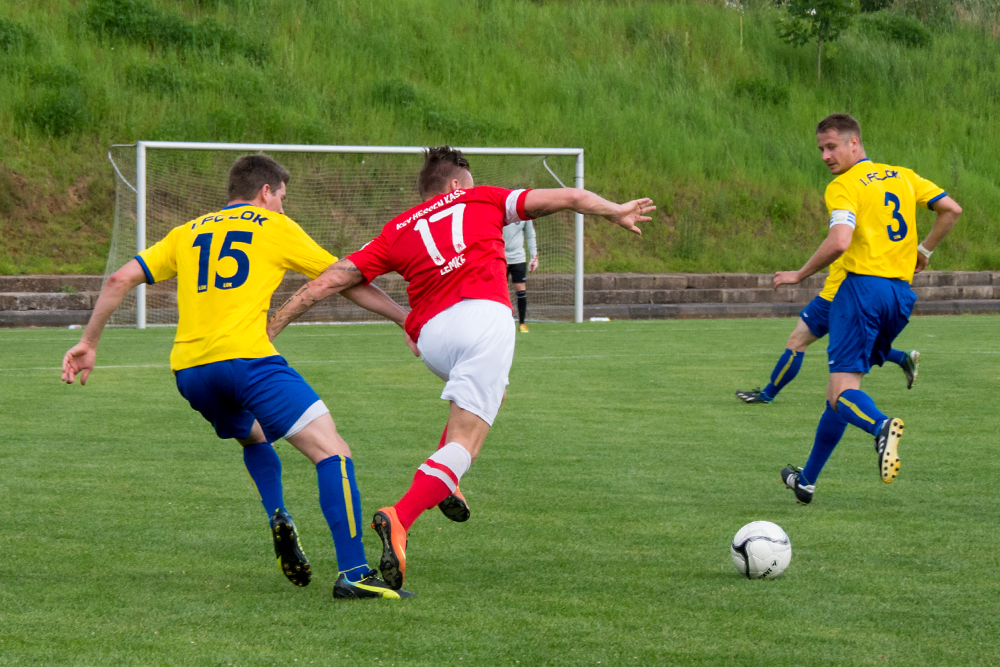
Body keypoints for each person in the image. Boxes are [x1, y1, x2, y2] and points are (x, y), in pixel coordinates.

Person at [266, 146, 654, 590]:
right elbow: (570, 197)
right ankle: (400, 516)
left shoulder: (397, 229)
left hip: (431, 336)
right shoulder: (483, 198)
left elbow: (334, 278)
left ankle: (445, 485)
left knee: (492, 392)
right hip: (483, 319)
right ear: (455, 185)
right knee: (466, 442)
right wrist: (615, 211)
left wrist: (276, 322)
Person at [61, 154, 416, 599]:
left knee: (254, 435)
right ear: (266, 191)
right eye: (282, 198)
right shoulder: (274, 227)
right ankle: (354, 573)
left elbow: (118, 278)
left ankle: (278, 512)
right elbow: (345, 277)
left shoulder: (186, 232)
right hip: (248, 361)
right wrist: (404, 318)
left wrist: (89, 343)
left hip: (190, 372)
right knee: (333, 453)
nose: (284, 208)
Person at [773, 114, 961, 504]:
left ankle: (881, 426)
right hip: (901, 296)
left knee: (844, 392)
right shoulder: (903, 175)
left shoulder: (843, 185)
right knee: (837, 394)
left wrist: (800, 273)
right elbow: (951, 210)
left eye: (832, 146)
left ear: (854, 143)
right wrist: (923, 250)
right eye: (821, 149)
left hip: (861, 291)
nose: (826, 155)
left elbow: (840, 241)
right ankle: (806, 480)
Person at [735, 255, 919, 404]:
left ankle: (767, 395)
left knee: (798, 342)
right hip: (857, 293)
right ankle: (902, 358)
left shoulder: (853, 214)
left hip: (837, 296)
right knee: (854, 346)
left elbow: (837, 243)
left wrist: (800, 274)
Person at [503, 217, 537, 332]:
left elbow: (530, 235)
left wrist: (534, 256)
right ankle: (503, 322)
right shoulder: (501, 209)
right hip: (500, 257)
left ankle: (522, 323)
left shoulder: (523, 214)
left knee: (520, 288)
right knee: (500, 291)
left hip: (518, 258)